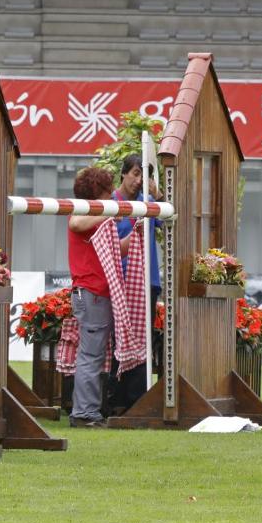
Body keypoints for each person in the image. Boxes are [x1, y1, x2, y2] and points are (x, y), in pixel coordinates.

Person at [109, 154, 163, 412]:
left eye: (145, 176)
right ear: (123, 174)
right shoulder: (110, 203)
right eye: (135, 174)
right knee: (118, 341)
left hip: (148, 282)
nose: (139, 181)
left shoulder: (151, 203)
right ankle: (115, 400)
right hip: (118, 281)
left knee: (143, 341)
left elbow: (171, 219)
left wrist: (159, 195)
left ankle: (136, 401)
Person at [67, 166, 119, 428]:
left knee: (95, 354)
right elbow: (75, 223)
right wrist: (107, 213)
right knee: (91, 355)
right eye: (108, 193)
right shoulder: (82, 210)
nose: (111, 198)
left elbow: (115, 248)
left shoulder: (95, 215)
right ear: (97, 193)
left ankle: (87, 410)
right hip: (91, 292)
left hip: (95, 292)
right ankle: (84, 413)